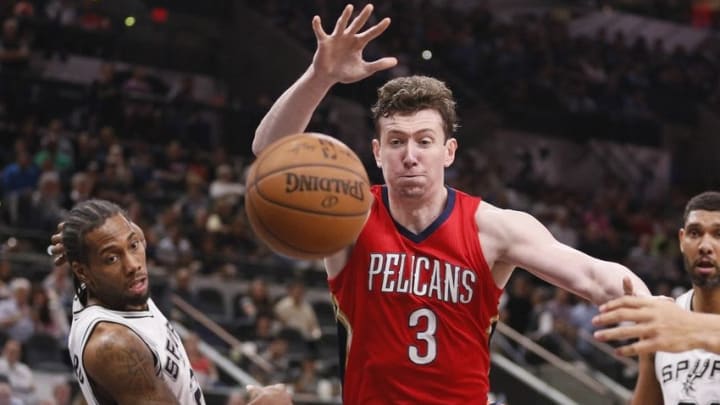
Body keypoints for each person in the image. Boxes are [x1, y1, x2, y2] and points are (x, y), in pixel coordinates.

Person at [251, 4, 650, 403]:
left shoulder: (491, 228)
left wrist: (662, 310)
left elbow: (594, 277)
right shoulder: (348, 216)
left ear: (449, 151)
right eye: (396, 141)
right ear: (376, 152)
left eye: (424, 141)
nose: (410, 154)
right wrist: (319, 77)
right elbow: (268, 152)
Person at [60, 199, 206, 404]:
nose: (133, 265)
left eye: (133, 245)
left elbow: (129, 233)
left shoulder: (113, 289)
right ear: (82, 271)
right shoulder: (114, 344)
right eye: (112, 258)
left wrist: (75, 235)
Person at [602, 191, 720, 404]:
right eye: (695, 233)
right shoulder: (664, 320)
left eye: (719, 234)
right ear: (682, 241)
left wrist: (691, 326)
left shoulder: (671, 319)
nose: (705, 246)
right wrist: (648, 355)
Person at [593, 295, 720, 355]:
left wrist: (696, 325)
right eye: (694, 239)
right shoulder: (669, 310)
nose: (705, 246)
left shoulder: (675, 316)